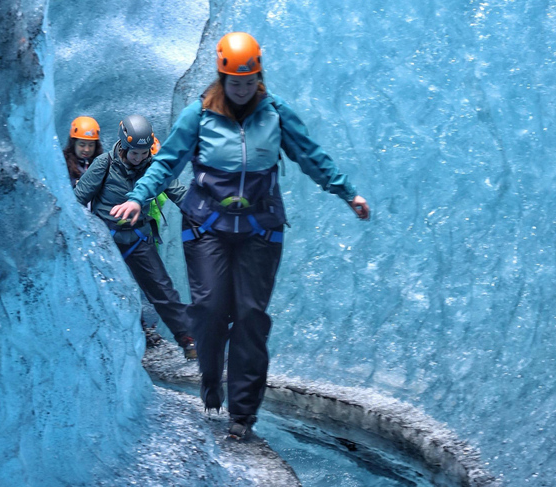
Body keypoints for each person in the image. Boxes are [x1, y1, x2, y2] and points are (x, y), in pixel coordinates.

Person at [110, 32, 370, 439]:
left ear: (258, 77)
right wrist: (138, 197)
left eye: (249, 82)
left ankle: (242, 415)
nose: (243, 89)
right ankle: (211, 377)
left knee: (250, 317)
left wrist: (347, 192)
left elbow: (311, 156)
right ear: (223, 77)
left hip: (259, 228)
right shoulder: (199, 115)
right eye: (235, 82)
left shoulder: (275, 114)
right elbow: (166, 162)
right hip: (206, 227)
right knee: (210, 310)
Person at [74, 115, 197, 359]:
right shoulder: (104, 164)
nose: (139, 158)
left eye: (143, 153)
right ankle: (116, 345)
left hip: (138, 239)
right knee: (111, 293)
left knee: (162, 290)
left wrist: (204, 212)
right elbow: (78, 199)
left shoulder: (153, 167)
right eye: (134, 153)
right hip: (106, 242)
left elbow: (179, 193)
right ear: (123, 146)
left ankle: (188, 339)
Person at [64, 116, 104, 187]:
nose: (87, 149)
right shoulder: (63, 162)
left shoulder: (101, 163)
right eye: (82, 145)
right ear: (73, 144)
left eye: (91, 145)